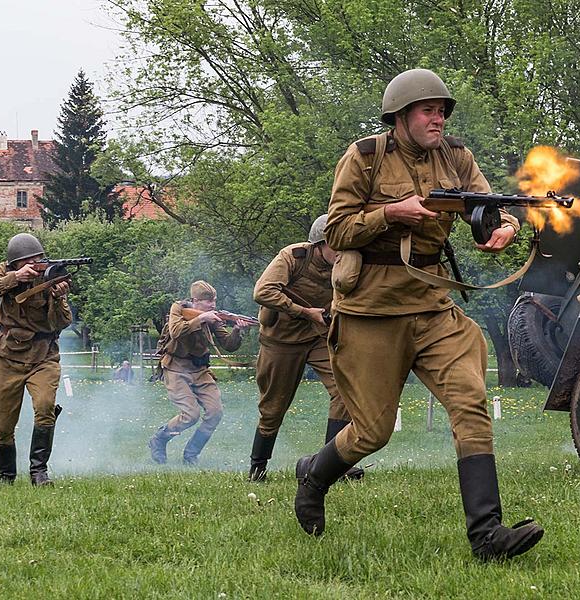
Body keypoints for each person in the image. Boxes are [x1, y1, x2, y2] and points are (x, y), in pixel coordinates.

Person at [292, 68, 544, 561]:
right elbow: (336, 231)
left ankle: (486, 537)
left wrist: (505, 227)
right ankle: (315, 475)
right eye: (428, 110)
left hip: (432, 308)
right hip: (370, 312)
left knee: (470, 404)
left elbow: (489, 205)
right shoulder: (364, 157)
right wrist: (391, 213)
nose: (439, 119)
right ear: (400, 115)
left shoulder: (458, 157)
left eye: (443, 111)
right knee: (372, 432)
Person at [248, 214, 362, 482]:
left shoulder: (349, 264)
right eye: (336, 245)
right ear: (319, 243)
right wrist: (303, 311)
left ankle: (330, 466)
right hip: (282, 340)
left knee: (345, 390)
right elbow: (262, 292)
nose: (342, 252)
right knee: (272, 409)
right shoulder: (293, 257)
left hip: (319, 337)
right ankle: (257, 469)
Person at [0, 233, 72, 486]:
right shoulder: (5, 272)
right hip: (8, 357)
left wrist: (59, 296)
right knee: (3, 424)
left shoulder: (50, 275)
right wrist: (15, 279)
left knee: (44, 407)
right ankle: (6, 476)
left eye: (39, 259)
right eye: (29, 261)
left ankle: (39, 472)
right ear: (16, 263)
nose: (36, 263)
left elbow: (63, 322)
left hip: (44, 356)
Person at [147, 281, 246, 465]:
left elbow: (228, 344)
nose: (213, 305)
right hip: (176, 368)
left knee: (215, 413)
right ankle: (159, 439)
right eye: (208, 301)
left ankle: (191, 454)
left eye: (214, 300)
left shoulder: (212, 317)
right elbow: (176, 332)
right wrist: (201, 319)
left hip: (200, 370)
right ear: (195, 301)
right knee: (190, 415)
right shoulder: (178, 308)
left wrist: (237, 330)